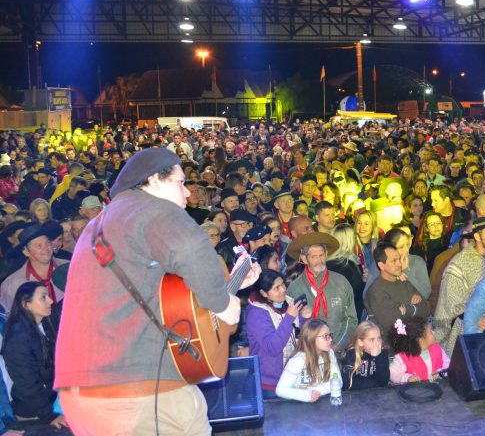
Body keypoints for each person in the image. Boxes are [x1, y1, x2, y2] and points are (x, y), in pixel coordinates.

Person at [55, 148, 260, 434]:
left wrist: (232, 285)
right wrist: (223, 303)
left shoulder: (100, 224)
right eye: (180, 182)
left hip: (83, 391)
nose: (187, 193)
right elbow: (191, 248)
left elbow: (164, 296)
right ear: (153, 180)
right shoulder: (152, 209)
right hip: (140, 386)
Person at [1, 281, 66, 428]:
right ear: (26, 304)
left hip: (50, 405)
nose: (50, 301)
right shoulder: (18, 338)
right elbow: (27, 384)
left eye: (48, 296)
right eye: (43, 297)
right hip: (34, 414)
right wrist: (50, 415)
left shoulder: (45, 325)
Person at [433, 216, 485, 356]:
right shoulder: (459, 264)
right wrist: (474, 316)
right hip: (467, 336)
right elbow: (451, 304)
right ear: (477, 236)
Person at [285, 232, 358, 348]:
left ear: (326, 254)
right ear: (304, 259)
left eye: (321, 255)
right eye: (313, 257)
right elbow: (293, 326)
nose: (319, 260)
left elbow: (351, 319)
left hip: (339, 347)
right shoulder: (294, 289)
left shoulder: (341, 282)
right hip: (309, 350)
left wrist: (338, 345)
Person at [246, 270, 311, 397]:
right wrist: (289, 317)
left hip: (294, 376)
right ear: (263, 293)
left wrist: (305, 318)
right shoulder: (256, 314)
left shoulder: (289, 303)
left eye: (283, 284)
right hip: (269, 384)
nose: (283, 290)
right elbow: (273, 347)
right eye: (276, 288)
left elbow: (303, 337)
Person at [364, 242, 430, 345]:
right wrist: (414, 309)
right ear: (381, 265)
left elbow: (426, 308)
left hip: (415, 343)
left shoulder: (403, 281)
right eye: (394, 261)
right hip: (394, 348)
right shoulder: (376, 291)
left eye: (399, 259)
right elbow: (394, 325)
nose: (400, 264)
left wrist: (405, 309)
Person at [0, 224, 66, 313]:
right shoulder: (13, 284)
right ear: (26, 251)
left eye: (47, 242)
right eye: (39, 245)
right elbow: (9, 317)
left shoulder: (69, 268)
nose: (46, 248)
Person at [275, 319, 340, 403]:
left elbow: (338, 381)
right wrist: (308, 395)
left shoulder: (329, 353)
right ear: (311, 338)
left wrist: (316, 391)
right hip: (298, 406)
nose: (330, 339)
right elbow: (280, 390)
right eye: (326, 336)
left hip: (321, 403)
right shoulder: (298, 360)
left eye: (330, 335)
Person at [389, 317, 450, 384]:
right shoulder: (403, 357)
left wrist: (441, 373)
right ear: (420, 340)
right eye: (431, 332)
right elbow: (392, 373)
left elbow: (449, 366)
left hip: (436, 388)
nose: (434, 332)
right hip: (416, 390)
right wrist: (407, 378)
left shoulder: (437, 348)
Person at [326, 224, 365, 320]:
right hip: (348, 319)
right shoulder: (343, 266)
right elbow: (355, 293)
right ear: (348, 241)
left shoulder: (331, 263)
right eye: (353, 237)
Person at [340, 321, 389, 391]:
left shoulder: (382, 353)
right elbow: (348, 384)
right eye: (372, 340)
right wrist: (375, 383)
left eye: (379, 338)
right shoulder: (351, 354)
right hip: (355, 395)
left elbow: (384, 381)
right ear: (360, 342)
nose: (377, 343)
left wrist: (378, 357)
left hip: (377, 394)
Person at [384, 228, 431, 299]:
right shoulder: (382, 264)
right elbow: (371, 296)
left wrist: (406, 271)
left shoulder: (417, 262)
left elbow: (426, 293)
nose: (407, 249)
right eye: (401, 247)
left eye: (407, 244)